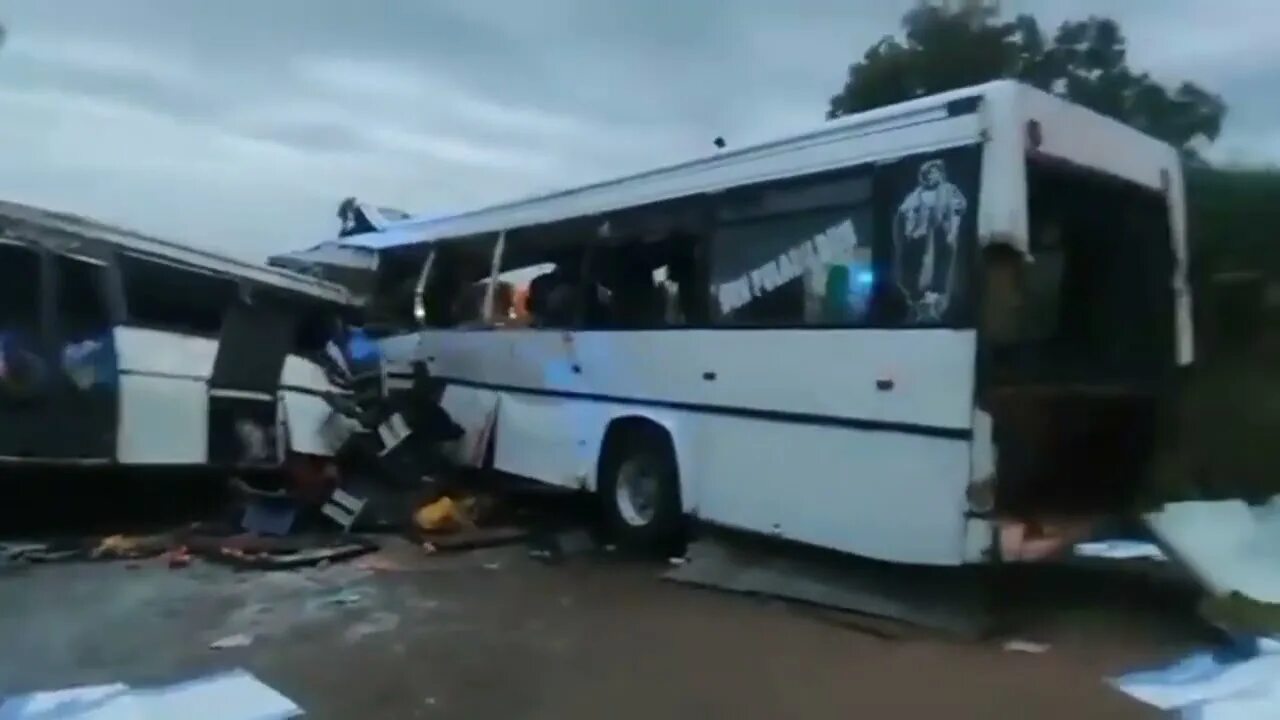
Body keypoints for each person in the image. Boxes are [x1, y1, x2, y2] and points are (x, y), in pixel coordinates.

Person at [893, 158, 968, 322]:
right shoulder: (918, 193)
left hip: (942, 236)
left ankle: (936, 295)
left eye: (934, 172)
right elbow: (904, 211)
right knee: (921, 267)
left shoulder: (949, 189)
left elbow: (960, 205)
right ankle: (920, 297)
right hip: (921, 240)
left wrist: (948, 219)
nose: (931, 176)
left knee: (941, 265)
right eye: (928, 173)